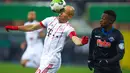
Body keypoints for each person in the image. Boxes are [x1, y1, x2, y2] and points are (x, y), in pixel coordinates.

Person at [5, 5, 89, 73]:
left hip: (52, 60)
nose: (60, 13)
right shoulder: (50, 20)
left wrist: (81, 41)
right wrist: (15, 28)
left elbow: (75, 39)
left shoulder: (69, 28)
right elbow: (33, 27)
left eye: (64, 12)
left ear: (70, 16)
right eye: (61, 10)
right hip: (44, 57)